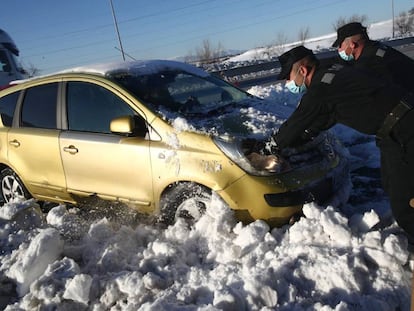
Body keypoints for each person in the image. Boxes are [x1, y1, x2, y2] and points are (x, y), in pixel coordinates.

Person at [271, 45, 414, 246]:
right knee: (390, 182)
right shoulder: (333, 70)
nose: (288, 83)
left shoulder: (321, 89)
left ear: (302, 71)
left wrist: (272, 145)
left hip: (405, 130)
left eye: (288, 77)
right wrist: (305, 137)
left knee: (405, 202)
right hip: (394, 131)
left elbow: (295, 124)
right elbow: (326, 116)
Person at [332, 22, 414, 93]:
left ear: (352, 45)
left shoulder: (367, 63)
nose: (339, 50)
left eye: (340, 46)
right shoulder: (377, 47)